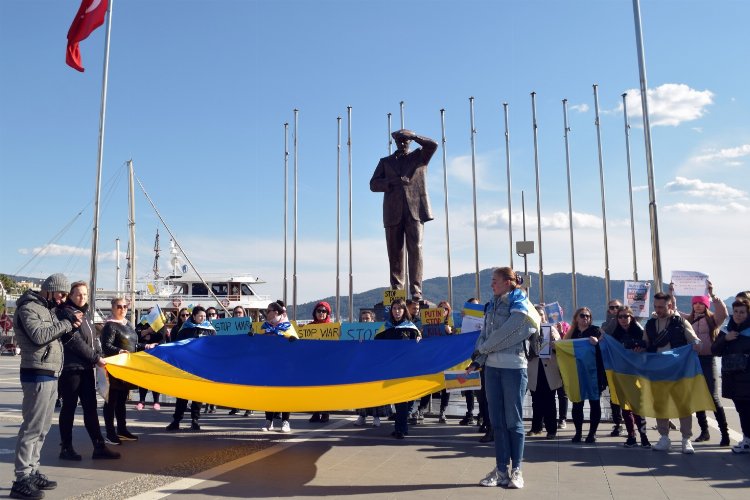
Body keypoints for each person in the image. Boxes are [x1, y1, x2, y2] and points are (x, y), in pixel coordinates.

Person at [11, 273, 80, 499]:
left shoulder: (47, 308)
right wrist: (66, 323)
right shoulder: (28, 307)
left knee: (42, 429)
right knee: (32, 428)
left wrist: (67, 323)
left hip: (50, 373)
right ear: (49, 289)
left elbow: (53, 335)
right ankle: (21, 478)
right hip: (36, 373)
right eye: (60, 294)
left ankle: (32, 470)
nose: (62, 299)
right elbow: (39, 336)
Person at [469, 267, 539, 490]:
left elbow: (515, 329)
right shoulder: (491, 304)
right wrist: (478, 359)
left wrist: (486, 347)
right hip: (492, 368)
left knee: (513, 421)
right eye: (492, 281)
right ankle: (501, 470)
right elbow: (485, 335)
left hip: (514, 367)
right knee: (497, 422)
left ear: (509, 282)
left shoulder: (520, 302)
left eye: (495, 281)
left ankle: (517, 470)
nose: (492, 284)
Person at [369, 129, 438, 301]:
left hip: (415, 210)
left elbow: (433, 145)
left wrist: (414, 136)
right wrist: (392, 182)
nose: (402, 143)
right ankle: (397, 291)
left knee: (416, 250)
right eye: (399, 140)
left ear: (410, 142)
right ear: (395, 142)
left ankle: (416, 291)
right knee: (395, 252)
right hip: (393, 212)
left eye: (405, 140)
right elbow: (373, 184)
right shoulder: (385, 162)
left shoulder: (419, 157)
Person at [57, 281, 120, 461]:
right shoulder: (67, 314)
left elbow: (93, 340)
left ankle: (99, 446)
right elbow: (74, 342)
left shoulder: (85, 315)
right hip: (71, 369)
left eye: (84, 294)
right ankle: (66, 447)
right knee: (68, 408)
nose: (82, 297)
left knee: (91, 408)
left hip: (85, 369)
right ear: (70, 295)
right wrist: (96, 358)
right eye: (78, 294)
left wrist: (99, 355)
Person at [670, 281, 730, 446]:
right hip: (692, 361)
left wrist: (712, 295)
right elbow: (673, 312)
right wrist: (672, 294)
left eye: (701, 303)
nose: (697, 306)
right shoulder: (688, 319)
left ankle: (724, 433)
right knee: (697, 396)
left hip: (707, 360)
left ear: (706, 304)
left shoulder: (713, 320)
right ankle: (704, 431)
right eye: (695, 303)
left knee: (713, 397)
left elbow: (723, 312)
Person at [643, 292, 700, 454]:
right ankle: (664, 438)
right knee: (660, 405)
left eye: (661, 307)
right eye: (655, 306)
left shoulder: (681, 322)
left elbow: (694, 340)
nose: (658, 309)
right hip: (658, 371)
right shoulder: (650, 324)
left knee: (683, 405)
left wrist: (696, 344)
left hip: (679, 372)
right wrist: (639, 346)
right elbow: (646, 343)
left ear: (670, 306)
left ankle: (686, 439)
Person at [101, 298, 157, 445]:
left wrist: (146, 346)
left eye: (125, 306)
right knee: (111, 401)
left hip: (125, 369)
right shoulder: (110, 326)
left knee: (121, 401)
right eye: (119, 306)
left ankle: (122, 430)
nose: (122, 309)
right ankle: (110, 433)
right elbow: (106, 346)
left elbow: (134, 344)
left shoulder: (128, 325)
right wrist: (120, 351)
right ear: (113, 308)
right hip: (113, 368)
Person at [375, 298, 421, 439]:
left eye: (399, 309)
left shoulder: (411, 328)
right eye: (394, 309)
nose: (396, 311)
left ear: (404, 310)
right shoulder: (386, 328)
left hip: (406, 369)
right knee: (397, 400)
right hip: (391, 369)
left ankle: (401, 429)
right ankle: (401, 428)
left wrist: (419, 340)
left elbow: (420, 344)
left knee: (402, 400)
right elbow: (374, 344)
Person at [607, 306, 651, 448]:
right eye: (620, 317)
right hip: (621, 373)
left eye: (626, 316)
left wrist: (641, 348)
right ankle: (631, 436)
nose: (623, 319)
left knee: (638, 406)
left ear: (631, 317)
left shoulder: (639, 331)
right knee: (625, 407)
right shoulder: (615, 334)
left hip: (636, 373)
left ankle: (644, 436)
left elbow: (648, 348)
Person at [166, 306, 215, 431]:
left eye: (204, 316)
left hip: (201, 366)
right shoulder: (185, 329)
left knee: (198, 395)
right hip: (186, 365)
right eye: (200, 316)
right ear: (193, 316)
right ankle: (176, 420)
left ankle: (195, 420)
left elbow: (215, 346)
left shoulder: (210, 329)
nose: (203, 318)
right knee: (182, 394)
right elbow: (177, 345)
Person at [711, 298, 750, 454]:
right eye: (736, 312)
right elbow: (715, 350)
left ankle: (747, 440)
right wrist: (725, 339)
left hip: (747, 377)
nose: (738, 315)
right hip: (732, 378)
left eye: (742, 312)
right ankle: (746, 439)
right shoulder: (727, 330)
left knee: (747, 409)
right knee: (741, 409)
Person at [563, 306, 606, 444]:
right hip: (577, 374)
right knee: (577, 404)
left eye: (588, 316)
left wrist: (598, 342)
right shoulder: (572, 333)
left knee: (594, 403)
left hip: (594, 374)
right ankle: (578, 433)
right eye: (582, 315)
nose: (585, 318)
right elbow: (562, 348)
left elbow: (605, 348)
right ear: (576, 318)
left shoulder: (596, 330)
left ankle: (592, 433)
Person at [257, 300, 297, 433]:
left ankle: (286, 421)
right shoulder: (264, 327)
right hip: (268, 364)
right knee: (268, 393)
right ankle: (269, 420)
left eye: (268, 311)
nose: (266, 313)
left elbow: (297, 346)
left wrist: (291, 340)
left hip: (285, 365)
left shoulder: (288, 326)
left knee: (285, 393)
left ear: (275, 312)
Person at [526, 305, 563, 439]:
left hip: (548, 369)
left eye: (541, 314)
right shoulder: (528, 330)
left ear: (544, 316)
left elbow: (559, 347)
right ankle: (536, 427)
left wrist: (554, 341)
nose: (539, 316)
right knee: (536, 400)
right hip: (534, 369)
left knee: (550, 401)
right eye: (536, 313)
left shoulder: (551, 329)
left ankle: (551, 429)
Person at [354, 310, 391, 427]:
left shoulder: (380, 333)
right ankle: (362, 415)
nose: (365, 321)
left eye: (367, 318)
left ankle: (377, 417)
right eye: (363, 318)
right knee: (362, 392)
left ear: (373, 320)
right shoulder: (357, 333)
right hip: (362, 367)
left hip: (376, 367)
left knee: (376, 391)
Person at [601, 298, 624, 437]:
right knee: (614, 395)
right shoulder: (605, 324)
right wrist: (613, 319)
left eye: (617, 307)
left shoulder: (628, 323)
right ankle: (618, 422)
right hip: (610, 365)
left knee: (627, 394)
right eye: (612, 308)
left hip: (625, 365)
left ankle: (632, 422)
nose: (615, 310)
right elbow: (606, 332)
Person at [135, 316, 166, 411]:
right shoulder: (141, 324)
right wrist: (148, 331)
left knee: (155, 379)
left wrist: (149, 336)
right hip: (143, 356)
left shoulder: (161, 325)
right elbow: (136, 337)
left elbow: (161, 339)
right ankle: (141, 401)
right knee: (143, 379)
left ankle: (156, 401)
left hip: (156, 356)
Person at [309, 301, 333, 424]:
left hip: (328, 364)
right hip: (313, 364)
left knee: (325, 390)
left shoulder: (332, 328)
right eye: (319, 311)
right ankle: (315, 413)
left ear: (327, 313)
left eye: (324, 311)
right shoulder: (309, 327)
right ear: (315, 312)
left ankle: (325, 413)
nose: (321, 313)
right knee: (314, 390)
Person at [228, 306, 253, 417]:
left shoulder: (249, 326)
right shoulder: (229, 327)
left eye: (240, 312)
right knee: (234, 383)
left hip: (246, 358)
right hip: (233, 358)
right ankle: (235, 407)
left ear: (243, 314)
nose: (238, 314)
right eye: (236, 313)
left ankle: (249, 408)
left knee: (247, 383)